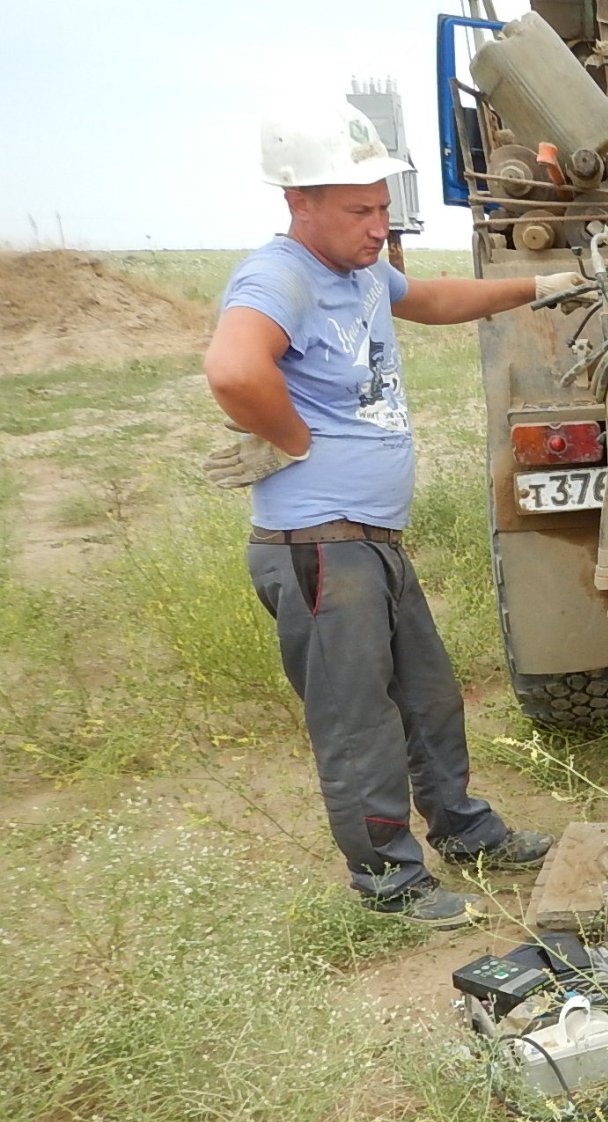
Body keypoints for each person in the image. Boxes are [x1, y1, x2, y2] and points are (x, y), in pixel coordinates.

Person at [203, 102, 587, 927]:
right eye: (358, 211)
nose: (378, 225)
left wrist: (540, 284)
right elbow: (235, 370)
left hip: (369, 544)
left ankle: (464, 830)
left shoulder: (361, 272)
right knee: (358, 721)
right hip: (318, 547)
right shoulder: (281, 275)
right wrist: (290, 438)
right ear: (299, 202)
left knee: (429, 697)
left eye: (383, 206)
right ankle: (388, 880)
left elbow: (435, 299)